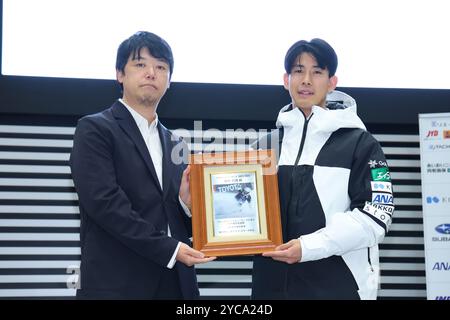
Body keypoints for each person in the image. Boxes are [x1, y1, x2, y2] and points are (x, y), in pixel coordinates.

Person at [70, 31, 215, 299]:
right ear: (119, 74)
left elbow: (173, 215)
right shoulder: (95, 129)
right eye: (140, 65)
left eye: (161, 67)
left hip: (175, 284)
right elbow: (105, 203)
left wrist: (185, 204)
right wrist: (169, 249)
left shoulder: (176, 143)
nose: (151, 73)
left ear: (169, 81)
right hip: (119, 283)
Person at [251, 38, 394, 300]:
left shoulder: (361, 143)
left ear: (331, 82)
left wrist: (308, 247)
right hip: (271, 289)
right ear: (286, 80)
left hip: (339, 287)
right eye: (298, 71)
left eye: (316, 72)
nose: (306, 80)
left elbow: (377, 215)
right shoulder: (263, 148)